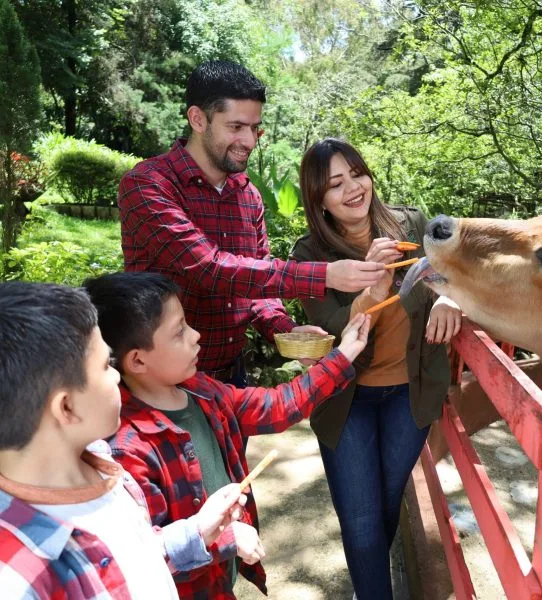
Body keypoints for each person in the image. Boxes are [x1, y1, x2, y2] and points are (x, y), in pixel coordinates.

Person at [83, 271, 371, 599]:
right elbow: (145, 555)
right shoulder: (127, 451)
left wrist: (343, 355)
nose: (195, 336)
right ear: (137, 360)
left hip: (220, 578)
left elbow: (275, 406)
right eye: (179, 332)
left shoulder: (199, 390)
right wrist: (225, 538)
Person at [117, 60, 385, 386]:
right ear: (198, 119)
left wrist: (286, 331)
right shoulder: (148, 184)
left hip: (232, 379)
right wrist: (326, 274)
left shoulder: (248, 196)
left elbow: (255, 289)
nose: (249, 141)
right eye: (236, 127)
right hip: (160, 384)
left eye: (255, 128)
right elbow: (209, 268)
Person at [290, 138, 462, 599]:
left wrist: (449, 297)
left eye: (357, 174)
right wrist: (371, 288)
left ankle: (369, 587)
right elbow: (329, 331)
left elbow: (452, 269)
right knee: (361, 520)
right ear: (318, 200)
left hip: (410, 395)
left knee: (385, 505)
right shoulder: (309, 256)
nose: (352, 188)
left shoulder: (412, 224)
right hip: (347, 400)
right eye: (335, 184)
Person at [0, 281, 249, 599]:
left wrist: (197, 530)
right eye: (107, 365)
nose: (118, 376)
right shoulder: (18, 581)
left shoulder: (103, 464)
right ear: (67, 407)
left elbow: (132, 557)